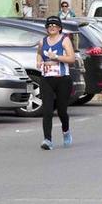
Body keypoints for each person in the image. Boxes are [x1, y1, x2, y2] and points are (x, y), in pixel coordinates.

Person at [36, 16, 77, 150]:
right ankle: (47, 140)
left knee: (61, 111)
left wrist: (57, 57)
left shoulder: (65, 40)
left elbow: (71, 59)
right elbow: (39, 54)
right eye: (49, 25)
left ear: (59, 28)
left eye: (54, 25)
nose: (52, 27)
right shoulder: (43, 41)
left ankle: (66, 131)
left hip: (62, 79)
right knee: (47, 110)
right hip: (46, 79)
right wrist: (39, 62)